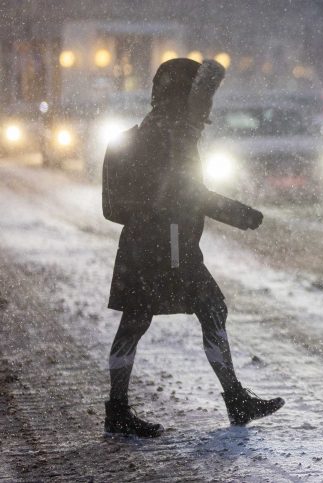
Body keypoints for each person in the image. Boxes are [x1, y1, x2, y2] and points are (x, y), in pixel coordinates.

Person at [102, 57, 284, 437]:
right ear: (181, 98)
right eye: (199, 100)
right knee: (200, 309)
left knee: (140, 321)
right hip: (169, 246)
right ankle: (233, 399)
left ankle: (119, 408)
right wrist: (235, 213)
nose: (205, 114)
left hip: (148, 246)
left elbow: (113, 208)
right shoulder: (172, 136)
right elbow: (190, 194)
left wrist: (147, 218)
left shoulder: (140, 134)